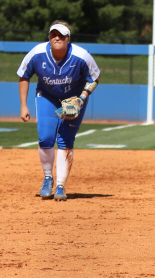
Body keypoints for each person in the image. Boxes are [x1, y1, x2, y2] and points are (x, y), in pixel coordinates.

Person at [16, 21, 101, 202]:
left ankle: (61, 186)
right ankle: (48, 178)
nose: (57, 38)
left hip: (75, 99)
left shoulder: (81, 56)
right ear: (49, 36)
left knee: (65, 139)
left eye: (61, 35)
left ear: (68, 38)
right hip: (47, 96)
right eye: (54, 34)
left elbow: (95, 77)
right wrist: (23, 105)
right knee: (45, 137)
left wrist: (82, 97)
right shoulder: (37, 53)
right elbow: (24, 76)